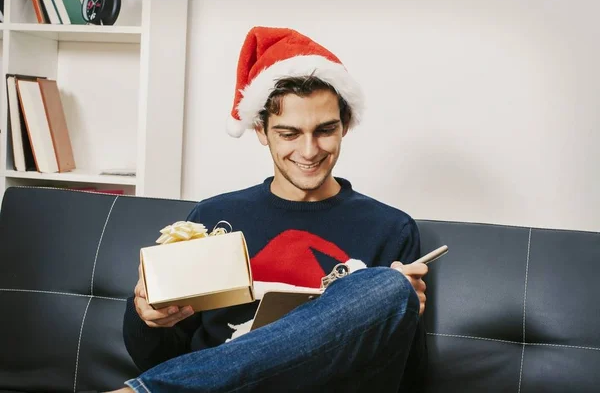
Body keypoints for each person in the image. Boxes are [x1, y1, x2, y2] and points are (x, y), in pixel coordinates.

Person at [111, 26, 428, 393]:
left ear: (345, 127)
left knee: (389, 288)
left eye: (325, 130)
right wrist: (148, 318)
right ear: (261, 130)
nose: (309, 151)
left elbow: (407, 378)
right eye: (289, 134)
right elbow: (159, 363)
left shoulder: (391, 229)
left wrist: (400, 313)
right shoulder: (214, 218)